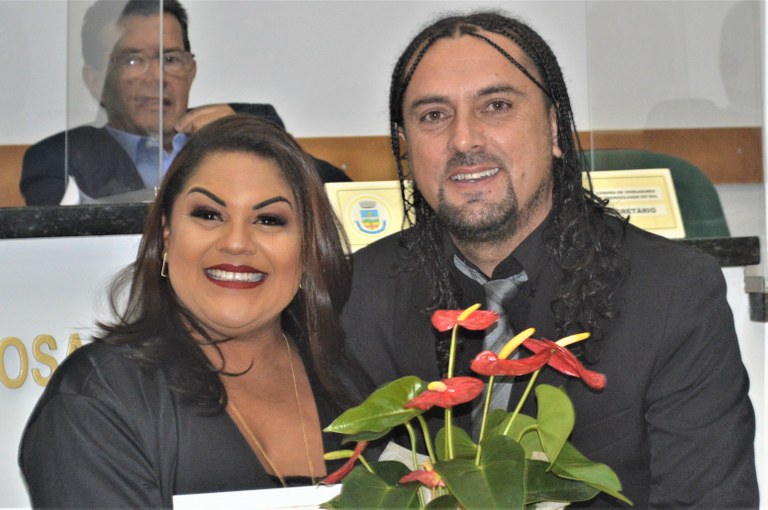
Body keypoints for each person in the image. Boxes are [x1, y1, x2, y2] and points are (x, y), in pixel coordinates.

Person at [341, 11, 759, 508]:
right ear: (406, 147)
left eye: (496, 106)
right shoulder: (357, 293)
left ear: (554, 129)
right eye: (433, 115)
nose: (463, 139)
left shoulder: (672, 292)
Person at [19, 115, 360, 507]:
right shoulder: (99, 397)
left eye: (269, 220)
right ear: (167, 234)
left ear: (307, 248)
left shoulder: (353, 378)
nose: (236, 243)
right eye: (209, 214)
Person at [20, 0, 348, 206]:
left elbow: (340, 198)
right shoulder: (61, 158)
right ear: (96, 82)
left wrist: (252, 136)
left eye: (171, 59)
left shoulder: (246, 124)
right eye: (133, 60)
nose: (157, 77)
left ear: (191, 72)